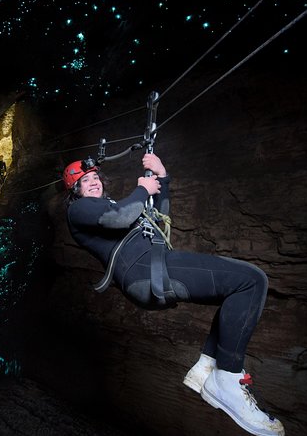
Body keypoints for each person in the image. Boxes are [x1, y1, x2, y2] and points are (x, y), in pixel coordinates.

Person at [63, 153, 285, 436]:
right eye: (85, 181)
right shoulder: (78, 210)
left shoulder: (112, 204)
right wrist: (143, 188)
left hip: (152, 266)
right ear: (75, 191)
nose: (93, 183)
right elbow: (120, 218)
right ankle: (227, 378)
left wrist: (162, 179)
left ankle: (208, 366)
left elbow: (157, 217)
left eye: (95, 178)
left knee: (239, 288)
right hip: (143, 271)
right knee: (251, 281)